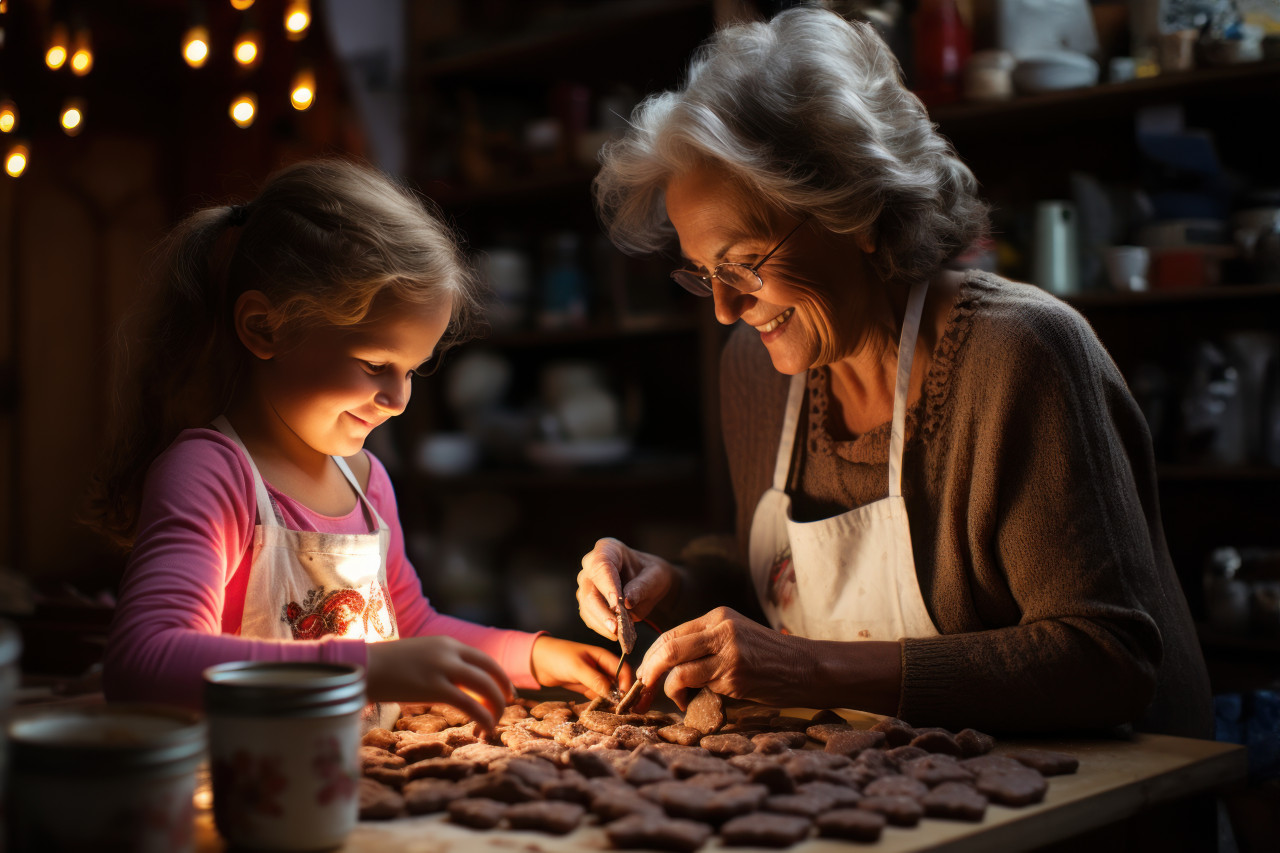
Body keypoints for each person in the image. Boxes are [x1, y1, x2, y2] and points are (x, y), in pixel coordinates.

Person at [576, 7, 1211, 738]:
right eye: (702, 274)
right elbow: (777, 579)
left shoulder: (1022, 356)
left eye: (744, 264)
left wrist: (806, 668)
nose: (723, 307)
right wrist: (675, 586)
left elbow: (1108, 663)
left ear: (857, 209)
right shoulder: (755, 369)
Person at [88, 157, 623, 732]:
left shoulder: (365, 483)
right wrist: (365, 669)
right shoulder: (211, 475)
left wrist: (535, 655)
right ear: (266, 329)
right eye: (375, 364)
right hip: (251, 787)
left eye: (412, 370)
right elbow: (145, 663)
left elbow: (411, 629)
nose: (398, 399)